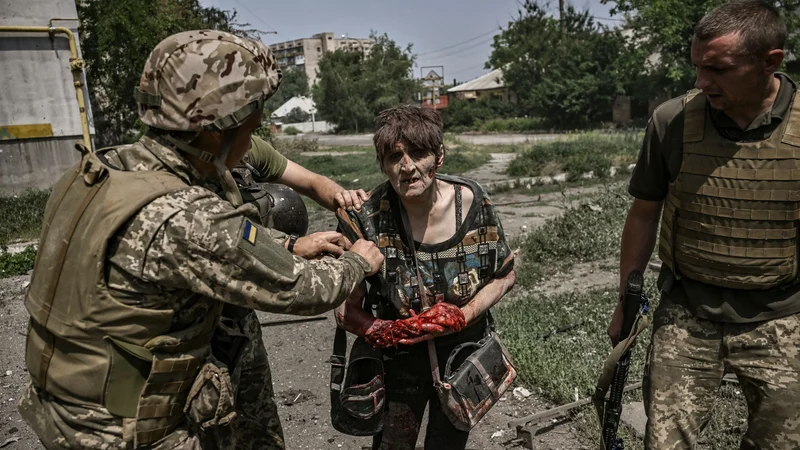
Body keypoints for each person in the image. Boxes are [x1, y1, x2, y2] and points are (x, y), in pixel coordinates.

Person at [18, 29, 384, 450]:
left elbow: (185, 251)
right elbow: (303, 290)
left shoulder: (102, 170)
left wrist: (283, 245)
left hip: (72, 401)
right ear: (214, 131)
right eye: (251, 124)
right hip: (127, 431)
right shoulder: (188, 216)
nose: (255, 135)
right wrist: (358, 260)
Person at [609, 2, 800, 448]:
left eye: (718, 69)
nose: (701, 82)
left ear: (771, 61)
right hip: (687, 312)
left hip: (782, 317)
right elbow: (643, 213)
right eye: (697, 67)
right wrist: (627, 300)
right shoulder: (672, 121)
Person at [335, 105, 516, 450]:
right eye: (394, 157)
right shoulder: (366, 218)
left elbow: (505, 276)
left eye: (419, 153)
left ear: (439, 157)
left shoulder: (474, 203)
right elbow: (345, 310)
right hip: (398, 360)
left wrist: (462, 314)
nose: (408, 167)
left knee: (448, 444)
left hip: (463, 355)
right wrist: (387, 330)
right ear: (383, 164)